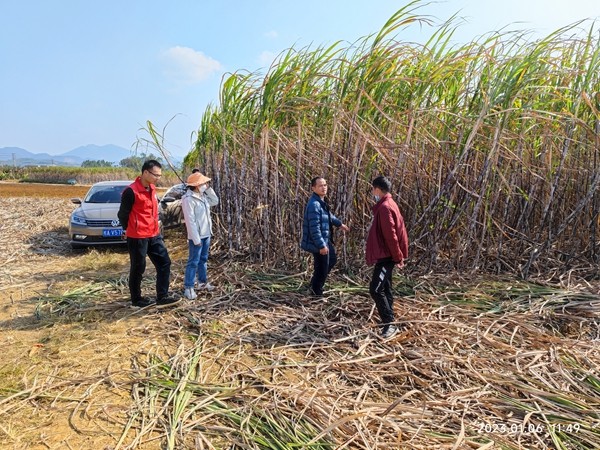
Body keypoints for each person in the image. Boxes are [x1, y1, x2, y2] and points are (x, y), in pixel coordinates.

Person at [118, 160, 180, 308]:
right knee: (138, 267)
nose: (158, 178)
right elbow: (122, 214)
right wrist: (130, 228)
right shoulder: (131, 191)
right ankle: (136, 299)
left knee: (164, 262)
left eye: (160, 175)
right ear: (145, 172)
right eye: (155, 175)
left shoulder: (152, 188)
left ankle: (162, 296)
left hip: (154, 234)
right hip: (138, 236)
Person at [365, 176, 409, 339]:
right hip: (388, 254)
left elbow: (391, 236)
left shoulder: (384, 207)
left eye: (373, 189)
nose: (372, 193)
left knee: (375, 289)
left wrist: (397, 257)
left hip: (387, 256)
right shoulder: (389, 204)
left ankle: (389, 324)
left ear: (377, 189)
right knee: (386, 287)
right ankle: (389, 318)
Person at [300, 177, 349, 296]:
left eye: (325, 185)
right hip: (319, 242)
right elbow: (314, 228)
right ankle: (317, 292)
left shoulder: (320, 202)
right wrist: (321, 245)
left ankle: (314, 285)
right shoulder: (314, 205)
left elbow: (328, 216)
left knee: (330, 261)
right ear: (313, 188)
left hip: (324, 240)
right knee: (322, 267)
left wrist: (339, 224)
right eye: (320, 185)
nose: (324, 187)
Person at [181, 171, 219, 300]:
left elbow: (215, 201)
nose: (206, 184)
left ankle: (202, 283)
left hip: (206, 233)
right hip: (196, 236)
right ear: (197, 185)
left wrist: (208, 189)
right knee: (193, 262)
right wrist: (196, 238)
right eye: (204, 183)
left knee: (203, 260)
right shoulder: (188, 199)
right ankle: (189, 287)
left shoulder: (203, 196)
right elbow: (189, 220)